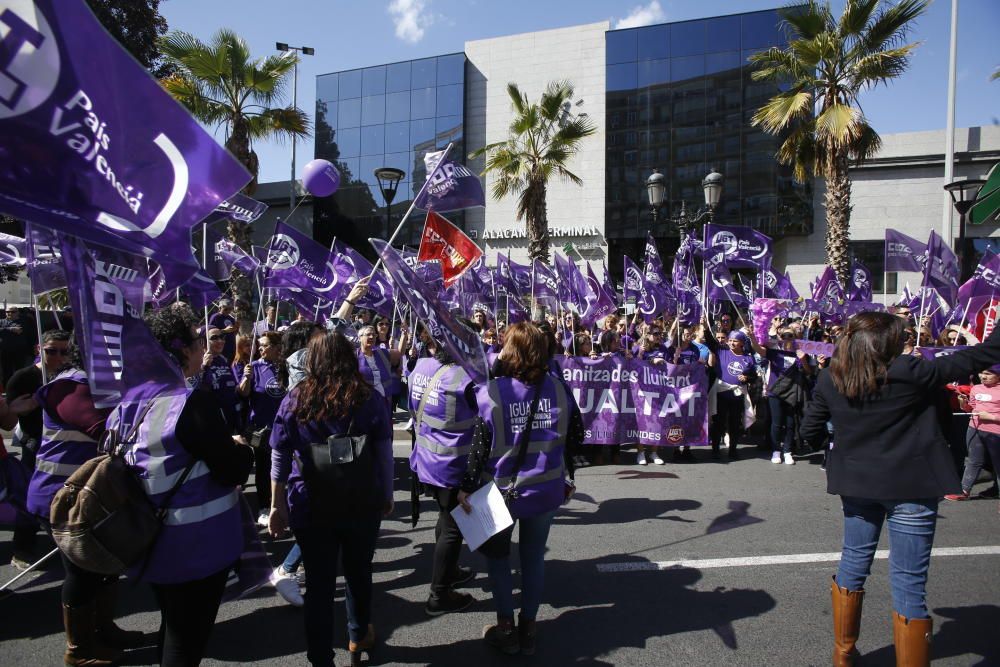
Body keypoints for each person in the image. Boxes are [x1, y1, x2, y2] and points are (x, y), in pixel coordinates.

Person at [800, 312, 1000, 667]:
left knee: (854, 560)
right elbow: (985, 353)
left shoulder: (832, 375)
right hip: (911, 482)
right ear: (886, 342)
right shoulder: (911, 371)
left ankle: (843, 654)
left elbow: (809, 430)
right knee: (908, 578)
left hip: (857, 482)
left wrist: (841, 438)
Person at [118, 305, 254, 667]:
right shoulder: (191, 402)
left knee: (173, 627)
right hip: (194, 544)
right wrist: (241, 448)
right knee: (186, 642)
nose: (203, 347)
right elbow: (232, 470)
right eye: (198, 339)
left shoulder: (129, 399)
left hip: (146, 538)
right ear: (182, 351)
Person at [268, 332, 394, 667]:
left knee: (320, 586)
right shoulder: (368, 397)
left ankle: (320, 657)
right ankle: (357, 635)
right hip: (361, 499)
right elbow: (383, 452)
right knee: (358, 572)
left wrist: (275, 504)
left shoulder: (296, 398)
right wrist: (387, 492)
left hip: (310, 501)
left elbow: (279, 454)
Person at [459, 322, 584, 656]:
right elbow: (577, 437)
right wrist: (567, 475)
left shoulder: (490, 390)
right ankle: (528, 627)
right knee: (533, 559)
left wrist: (466, 488)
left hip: (500, 493)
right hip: (545, 489)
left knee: (498, 561)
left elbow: (478, 448)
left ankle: (506, 629)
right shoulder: (559, 387)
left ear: (508, 351)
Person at [25, 338, 142, 666]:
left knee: (103, 567)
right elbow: (108, 432)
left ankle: (102, 630)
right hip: (61, 497)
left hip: (92, 497)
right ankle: (78, 651)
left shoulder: (104, 386)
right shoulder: (71, 387)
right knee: (81, 571)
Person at [408, 336, 478, 616]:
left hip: (425, 460)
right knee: (452, 527)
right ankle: (439, 595)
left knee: (444, 518)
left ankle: (450, 571)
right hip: (452, 464)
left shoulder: (422, 365)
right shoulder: (465, 378)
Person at [4, 330, 73, 567]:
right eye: (51, 351)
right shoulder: (23, 377)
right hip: (36, 445)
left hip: (66, 445)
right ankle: (22, 549)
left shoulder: (73, 377)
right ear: (38, 350)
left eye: (65, 352)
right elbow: (10, 418)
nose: (58, 357)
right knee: (29, 499)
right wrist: (31, 403)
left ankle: (69, 547)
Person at [270, 320, 324, 608]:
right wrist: (276, 505)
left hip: (322, 479)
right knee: (315, 533)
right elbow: (278, 453)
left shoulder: (316, 382)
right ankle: (286, 570)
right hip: (305, 481)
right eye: (319, 341)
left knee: (319, 536)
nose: (325, 347)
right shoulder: (297, 394)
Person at [238, 330, 288, 526]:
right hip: (262, 428)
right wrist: (246, 378)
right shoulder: (254, 367)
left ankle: (283, 504)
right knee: (264, 468)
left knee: (284, 467)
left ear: (277, 348)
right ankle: (264, 507)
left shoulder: (285, 367)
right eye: (259, 345)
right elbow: (243, 394)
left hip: (283, 427)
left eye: (265, 345)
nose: (260, 348)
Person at [749, 327, 812, 465]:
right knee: (776, 423)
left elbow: (808, 372)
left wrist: (804, 360)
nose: (787, 338)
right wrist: (752, 338)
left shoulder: (799, 353)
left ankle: (788, 451)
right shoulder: (775, 352)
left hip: (792, 392)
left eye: (790, 335)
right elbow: (759, 350)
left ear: (795, 338)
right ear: (780, 337)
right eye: (784, 336)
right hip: (775, 391)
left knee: (790, 423)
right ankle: (776, 450)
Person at [948, 365, 1000, 503]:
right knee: (973, 460)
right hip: (974, 428)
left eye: (988, 374)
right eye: (981, 373)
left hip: (996, 433)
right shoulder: (976, 388)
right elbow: (970, 408)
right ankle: (964, 491)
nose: (983, 376)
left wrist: (992, 418)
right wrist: (963, 404)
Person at [708, 330, 757, 460]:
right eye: (730, 340)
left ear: (742, 343)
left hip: (737, 394)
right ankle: (715, 449)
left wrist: (747, 378)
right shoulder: (722, 351)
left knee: (735, 423)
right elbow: (710, 341)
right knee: (719, 422)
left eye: (735, 341)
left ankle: (733, 450)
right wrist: (706, 328)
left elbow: (754, 376)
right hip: (722, 393)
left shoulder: (748, 358)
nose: (731, 343)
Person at [196, 327, 241, 432]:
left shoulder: (223, 359)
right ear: (203, 342)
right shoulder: (198, 361)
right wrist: (204, 366)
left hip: (231, 415)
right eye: (214, 338)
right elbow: (196, 388)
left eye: (222, 337)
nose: (220, 341)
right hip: (213, 420)